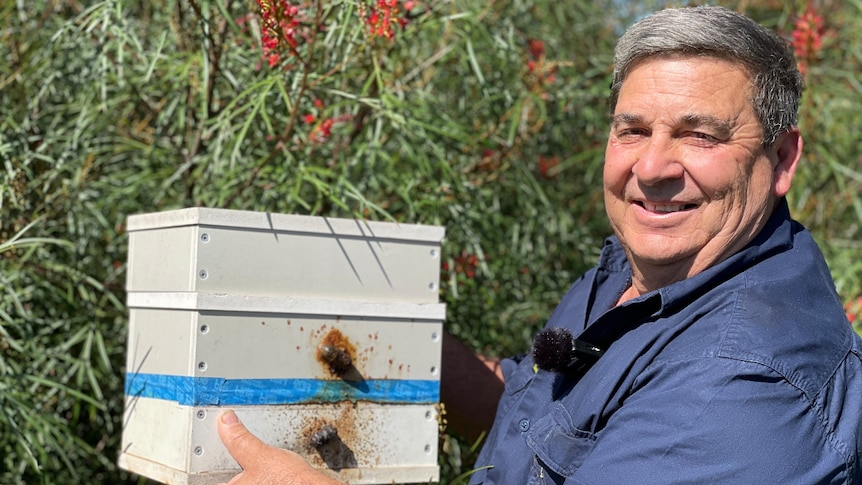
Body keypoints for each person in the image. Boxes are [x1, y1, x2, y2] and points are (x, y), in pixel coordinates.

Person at [216, 5, 862, 484]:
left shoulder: (740, 387)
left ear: (781, 159)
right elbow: (552, 411)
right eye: (632, 130)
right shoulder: (644, 277)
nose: (653, 167)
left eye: (700, 135)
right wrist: (401, 347)